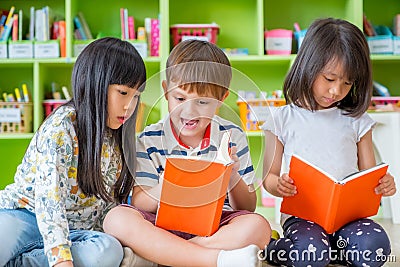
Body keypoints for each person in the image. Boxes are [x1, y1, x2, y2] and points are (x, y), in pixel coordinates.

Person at [103, 39, 272, 267]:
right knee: (117, 219)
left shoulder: (232, 135)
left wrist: (232, 176)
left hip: (214, 227)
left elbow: (247, 207)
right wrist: (165, 187)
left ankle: (162, 257)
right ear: (166, 91)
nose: (189, 111)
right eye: (180, 98)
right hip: (160, 225)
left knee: (259, 226)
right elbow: (141, 203)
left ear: (221, 99)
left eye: (202, 102)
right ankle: (212, 259)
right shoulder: (148, 139)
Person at [0, 37, 146, 267]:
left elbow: (109, 206)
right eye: (123, 93)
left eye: (136, 96)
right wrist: (61, 262)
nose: (130, 105)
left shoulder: (119, 137)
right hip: (24, 216)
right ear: (94, 85)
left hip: (76, 232)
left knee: (107, 251)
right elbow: (50, 203)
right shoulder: (61, 127)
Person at [261, 18, 396, 267]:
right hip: (303, 218)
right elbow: (268, 177)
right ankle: (274, 246)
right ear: (308, 66)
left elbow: (369, 176)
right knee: (309, 255)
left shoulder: (357, 121)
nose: (336, 91)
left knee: (374, 248)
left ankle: (332, 249)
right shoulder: (281, 119)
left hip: (349, 218)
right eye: (329, 78)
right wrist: (278, 185)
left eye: (347, 82)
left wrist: (383, 184)